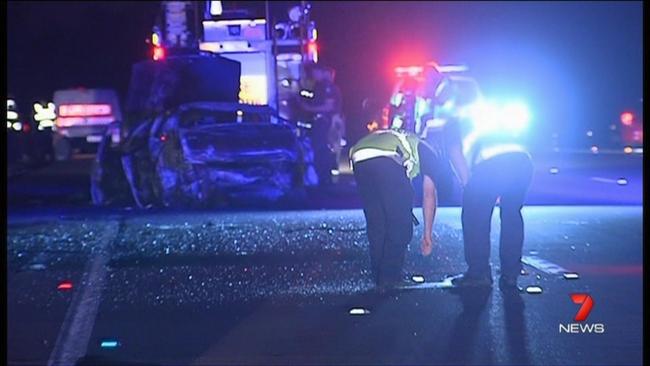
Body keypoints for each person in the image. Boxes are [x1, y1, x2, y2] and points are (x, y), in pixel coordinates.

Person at [442, 112, 534, 289]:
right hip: (522, 161)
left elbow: (454, 151)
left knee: (474, 219)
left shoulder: (454, 119)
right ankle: (511, 273)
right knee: (511, 215)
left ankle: (478, 274)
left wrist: (469, 186)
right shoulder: (482, 112)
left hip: (491, 163)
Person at [350, 129, 443, 290]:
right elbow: (429, 194)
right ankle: (390, 278)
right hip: (387, 158)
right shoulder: (428, 151)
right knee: (400, 225)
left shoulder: (405, 139)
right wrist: (427, 235)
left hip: (359, 156)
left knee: (377, 222)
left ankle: (380, 276)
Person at [294, 64, 343, 185]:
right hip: (323, 121)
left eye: (316, 72)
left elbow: (328, 106)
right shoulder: (320, 86)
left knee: (321, 149)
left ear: (323, 72)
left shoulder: (327, 87)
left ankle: (324, 177)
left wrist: (308, 108)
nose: (313, 75)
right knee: (320, 149)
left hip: (324, 122)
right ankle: (323, 177)